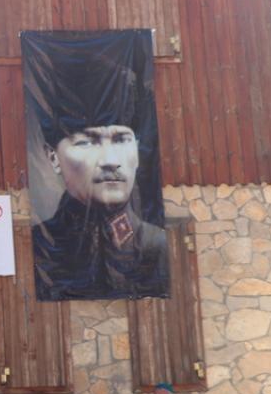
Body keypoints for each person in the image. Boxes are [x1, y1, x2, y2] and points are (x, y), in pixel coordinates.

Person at [25, 30, 167, 301]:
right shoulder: (40, 246)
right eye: (86, 143)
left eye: (121, 139)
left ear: (137, 151)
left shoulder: (156, 246)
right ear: (53, 157)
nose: (110, 161)